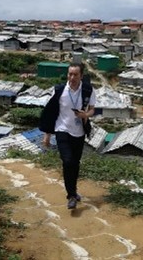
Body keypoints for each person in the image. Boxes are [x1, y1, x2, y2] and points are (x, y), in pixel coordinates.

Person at [39, 62, 96, 210]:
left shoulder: (88, 89)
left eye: (75, 74)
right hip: (62, 129)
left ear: (81, 76)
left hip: (79, 132)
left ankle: (74, 190)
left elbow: (92, 110)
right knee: (68, 161)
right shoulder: (58, 90)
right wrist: (47, 136)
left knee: (75, 163)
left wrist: (85, 114)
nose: (72, 77)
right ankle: (71, 196)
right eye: (70, 74)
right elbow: (50, 113)